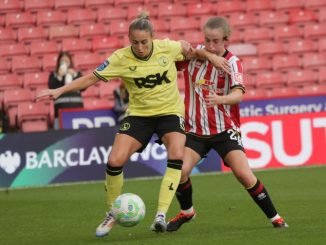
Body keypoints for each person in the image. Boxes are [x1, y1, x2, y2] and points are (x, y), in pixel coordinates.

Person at [36, 13, 227, 237]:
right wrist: (58, 90)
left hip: (170, 113)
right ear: (129, 39)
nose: (140, 47)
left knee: (176, 154)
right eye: (135, 42)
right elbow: (91, 78)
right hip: (139, 115)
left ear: (152, 38)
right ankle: (112, 213)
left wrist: (211, 57)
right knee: (114, 160)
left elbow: (192, 50)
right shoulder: (120, 58)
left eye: (144, 42)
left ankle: (161, 215)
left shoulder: (167, 47)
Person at [166, 16, 288, 232]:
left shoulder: (233, 63)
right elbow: (171, 54)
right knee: (180, 171)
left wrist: (220, 99)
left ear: (226, 40)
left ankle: (276, 217)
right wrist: (204, 54)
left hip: (224, 130)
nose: (211, 45)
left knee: (244, 175)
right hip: (195, 131)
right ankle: (187, 212)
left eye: (215, 41)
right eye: (207, 40)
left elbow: (239, 94)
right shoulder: (196, 56)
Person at [48, 51, 83, 129]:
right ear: (59, 62)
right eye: (62, 60)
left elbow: (84, 87)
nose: (65, 62)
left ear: (70, 61)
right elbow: (52, 88)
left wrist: (74, 75)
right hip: (60, 113)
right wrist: (59, 76)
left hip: (77, 111)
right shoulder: (54, 75)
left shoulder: (77, 74)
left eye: (66, 60)